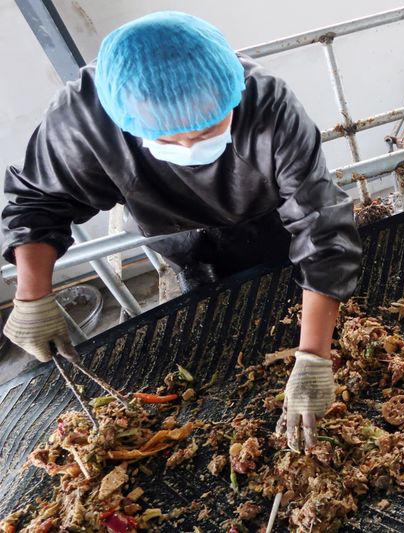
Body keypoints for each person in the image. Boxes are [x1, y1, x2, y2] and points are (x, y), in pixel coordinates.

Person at [1, 12, 361, 452]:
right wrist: (32, 295)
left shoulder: (267, 103)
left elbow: (321, 226)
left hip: (267, 222)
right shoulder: (85, 117)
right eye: (168, 140)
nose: (190, 147)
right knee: (214, 315)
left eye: (208, 130)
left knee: (288, 288)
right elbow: (39, 201)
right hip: (174, 232)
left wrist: (313, 356)